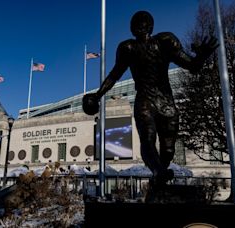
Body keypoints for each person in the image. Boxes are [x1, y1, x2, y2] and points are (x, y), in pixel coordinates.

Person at [83, 11, 218, 186]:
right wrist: (98, 94)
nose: (141, 26)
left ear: (151, 26)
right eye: (137, 23)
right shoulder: (128, 48)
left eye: (144, 22)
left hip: (166, 101)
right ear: (132, 28)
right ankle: (159, 172)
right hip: (145, 100)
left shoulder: (165, 42)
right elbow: (115, 75)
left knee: (168, 149)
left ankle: (159, 179)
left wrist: (202, 56)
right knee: (147, 139)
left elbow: (191, 66)